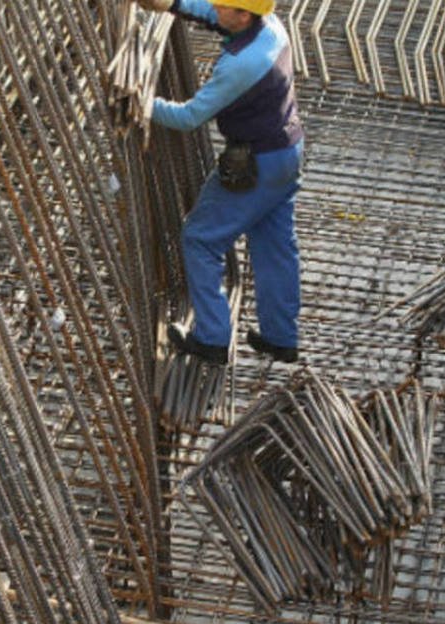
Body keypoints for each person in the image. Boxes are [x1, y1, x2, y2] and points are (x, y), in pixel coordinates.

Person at [137, 0, 304, 365]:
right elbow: (214, 16)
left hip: (256, 165)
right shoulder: (269, 25)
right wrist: (173, 4)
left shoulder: (241, 64)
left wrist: (142, 103)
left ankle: (211, 339)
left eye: (223, 4)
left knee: (200, 238)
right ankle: (281, 337)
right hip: (288, 152)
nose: (215, 5)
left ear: (243, 14)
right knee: (275, 246)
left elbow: (189, 116)